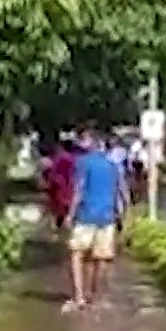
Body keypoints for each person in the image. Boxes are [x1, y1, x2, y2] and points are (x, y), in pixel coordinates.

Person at [64, 128, 127, 310]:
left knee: (77, 254)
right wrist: (122, 214)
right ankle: (96, 297)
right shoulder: (112, 164)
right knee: (101, 258)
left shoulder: (83, 162)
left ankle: (79, 297)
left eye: (82, 140)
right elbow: (121, 191)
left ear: (90, 142)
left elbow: (79, 190)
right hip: (107, 217)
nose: (79, 144)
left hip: (86, 215)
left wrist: (70, 214)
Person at [43, 136, 78, 234]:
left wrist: (49, 184)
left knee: (57, 208)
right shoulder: (75, 159)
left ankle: (56, 229)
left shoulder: (59, 158)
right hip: (70, 185)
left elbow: (53, 172)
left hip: (59, 185)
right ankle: (66, 227)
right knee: (67, 206)